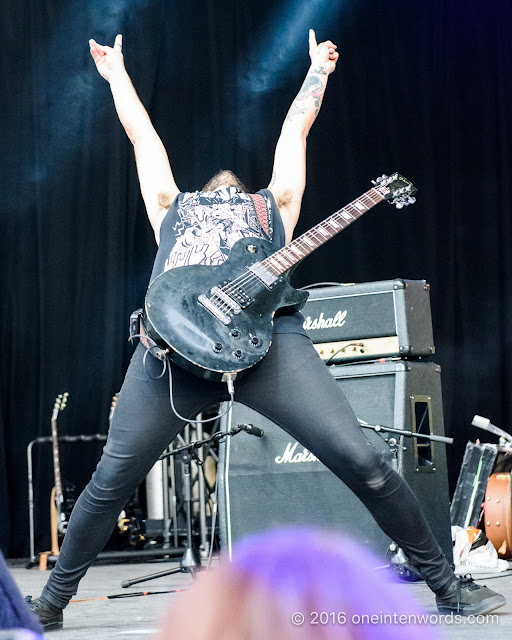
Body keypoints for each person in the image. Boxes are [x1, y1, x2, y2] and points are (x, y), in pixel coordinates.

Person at [27, 31, 505, 631]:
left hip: (270, 345)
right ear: (203, 195)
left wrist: (317, 75)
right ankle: (51, 603)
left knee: (370, 463)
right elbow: (142, 139)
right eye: (217, 188)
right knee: (108, 482)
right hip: (171, 355)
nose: (224, 186)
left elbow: (293, 134)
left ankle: (446, 586)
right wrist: (117, 75)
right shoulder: (171, 206)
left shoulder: (273, 206)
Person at [155, 527, 441, 640]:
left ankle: (444, 580)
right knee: (116, 473)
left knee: (364, 464)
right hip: (173, 393)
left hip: (266, 392)